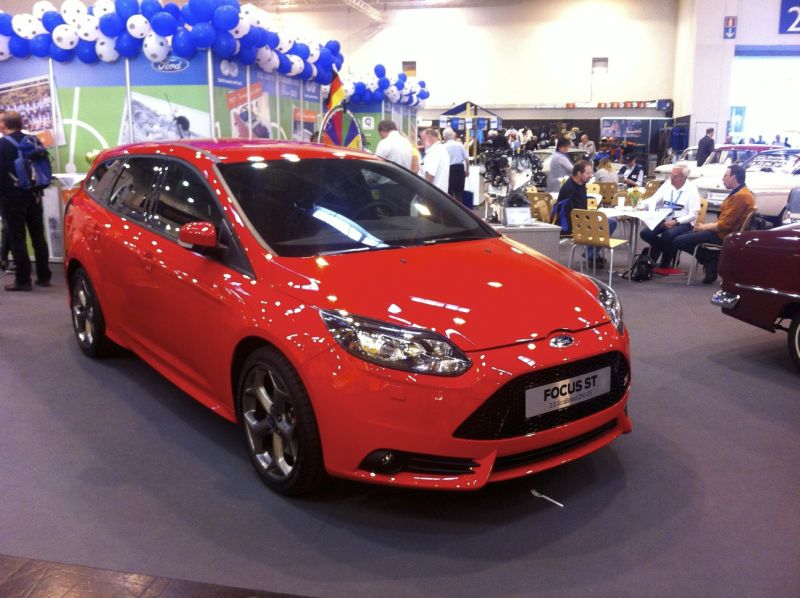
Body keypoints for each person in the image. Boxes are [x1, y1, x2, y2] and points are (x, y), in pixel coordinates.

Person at [673, 164, 755, 284]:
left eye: (725, 176)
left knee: (679, 240)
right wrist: (704, 227)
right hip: (725, 231)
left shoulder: (741, 196)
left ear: (734, 177)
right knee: (686, 235)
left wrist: (703, 227)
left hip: (725, 235)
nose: (722, 179)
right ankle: (711, 258)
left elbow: (725, 224)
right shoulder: (743, 192)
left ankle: (710, 258)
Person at [0, 111, 51, 291]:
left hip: (12, 197)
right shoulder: (33, 140)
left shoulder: (2, 145)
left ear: (5, 125)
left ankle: (23, 280)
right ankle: (44, 276)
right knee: (38, 235)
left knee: (17, 238)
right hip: (35, 195)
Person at [554, 160, 617, 267]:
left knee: (607, 221)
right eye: (588, 173)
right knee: (610, 223)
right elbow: (575, 213)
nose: (591, 175)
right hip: (573, 225)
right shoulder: (570, 189)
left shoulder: (579, 184)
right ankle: (591, 254)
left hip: (579, 220)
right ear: (579, 173)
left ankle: (592, 253)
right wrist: (592, 218)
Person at [638, 165, 701, 268]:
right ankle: (668, 250)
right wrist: (640, 204)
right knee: (645, 233)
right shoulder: (668, 184)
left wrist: (676, 222)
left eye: (674, 176)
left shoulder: (691, 189)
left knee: (668, 235)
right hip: (665, 217)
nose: (671, 178)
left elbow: (693, 214)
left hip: (683, 221)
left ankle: (666, 261)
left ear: (684, 178)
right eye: (670, 175)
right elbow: (654, 199)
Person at [442, 128, 469, 203]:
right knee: (459, 192)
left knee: (449, 191)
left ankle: (450, 208)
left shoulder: (443, 146)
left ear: (445, 136)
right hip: (460, 169)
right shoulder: (460, 145)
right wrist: (467, 170)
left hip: (449, 170)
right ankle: (460, 208)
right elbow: (467, 159)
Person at [419, 128, 450, 193]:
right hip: (439, 194)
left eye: (423, 140)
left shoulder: (434, 153)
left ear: (429, 137)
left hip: (431, 195)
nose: (421, 143)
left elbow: (428, 179)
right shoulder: (440, 150)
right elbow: (423, 164)